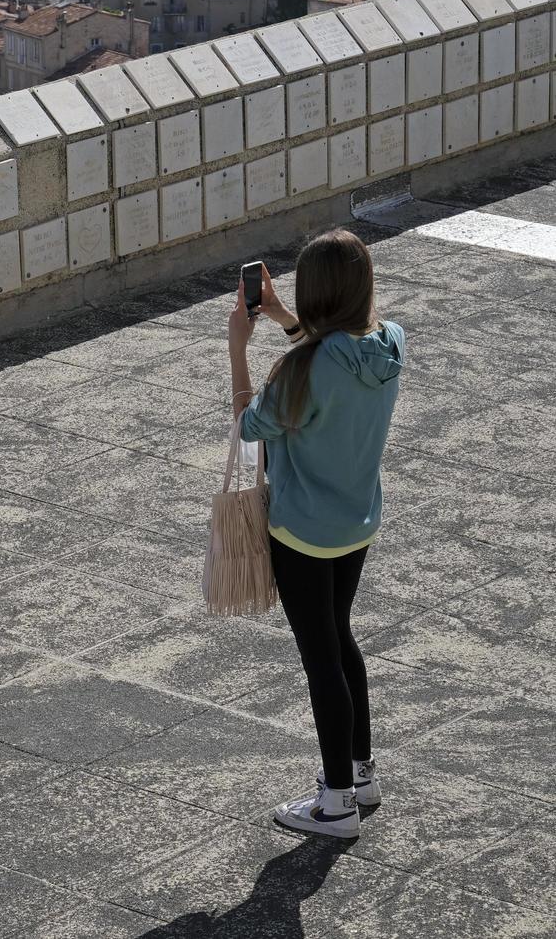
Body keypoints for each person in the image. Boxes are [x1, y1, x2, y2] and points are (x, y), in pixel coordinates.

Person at [227, 228, 406, 840]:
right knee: (341, 637)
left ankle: (335, 804)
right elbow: (333, 359)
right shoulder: (387, 346)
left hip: (302, 532)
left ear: (315, 295)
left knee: (321, 657)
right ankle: (362, 775)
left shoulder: (302, 368)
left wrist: (237, 347)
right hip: (358, 521)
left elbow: (250, 424)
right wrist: (283, 320)